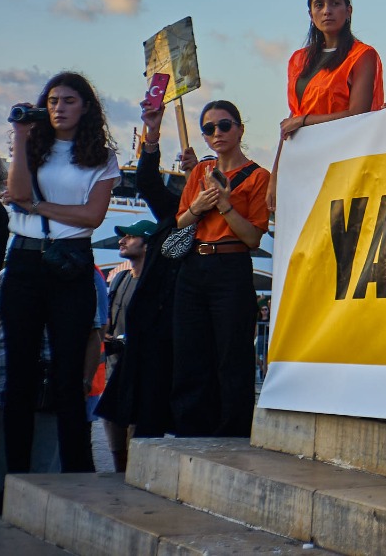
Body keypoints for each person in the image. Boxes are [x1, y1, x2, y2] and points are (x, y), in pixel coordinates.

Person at [0, 71, 118, 473]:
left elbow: (92, 215)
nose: (58, 108)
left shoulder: (100, 156)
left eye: (68, 100)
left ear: (85, 106)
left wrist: (37, 207)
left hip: (71, 261)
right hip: (25, 260)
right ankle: (15, 477)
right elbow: (16, 194)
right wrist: (20, 136)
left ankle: (77, 475)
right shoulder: (33, 146)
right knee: (21, 372)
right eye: (52, 101)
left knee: (69, 374)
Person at [169, 101, 269, 437]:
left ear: (240, 128)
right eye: (209, 128)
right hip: (194, 265)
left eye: (224, 125)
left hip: (231, 265)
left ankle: (233, 431)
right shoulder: (199, 172)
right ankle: (190, 428)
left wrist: (224, 205)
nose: (217, 133)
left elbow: (253, 237)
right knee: (190, 351)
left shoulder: (258, 177)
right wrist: (198, 207)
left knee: (232, 353)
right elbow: (180, 222)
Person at [96, 99, 188, 450]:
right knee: (126, 407)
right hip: (150, 328)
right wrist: (152, 133)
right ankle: (125, 471)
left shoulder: (210, 225)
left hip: (180, 330)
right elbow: (148, 180)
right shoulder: (174, 215)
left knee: (157, 409)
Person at [281, 0, 385, 139]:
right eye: (319, 5)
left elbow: (358, 114)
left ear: (348, 11)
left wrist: (304, 121)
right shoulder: (299, 59)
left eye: (335, 3)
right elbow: (296, 111)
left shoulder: (362, 55)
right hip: (302, 149)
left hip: (343, 147)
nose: (327, 11)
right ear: (311, 14)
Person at [97, 218, 152, 470]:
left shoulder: (154, 284)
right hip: (113, 364)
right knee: (110, 420)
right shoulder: (119, 279)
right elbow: (109, 318)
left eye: (130, 236)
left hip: (140, 367)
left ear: (147, 245)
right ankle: (121, 469)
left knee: (135, 422)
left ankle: (133, 472)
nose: (122, 240)